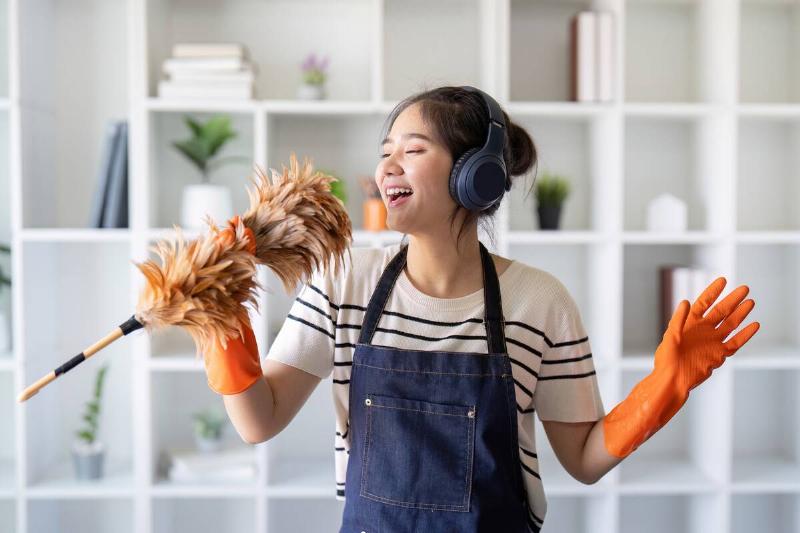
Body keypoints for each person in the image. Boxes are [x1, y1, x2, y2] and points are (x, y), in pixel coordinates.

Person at [202, 85, 760, 533]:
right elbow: (259, 419)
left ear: (476, 174)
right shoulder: (342, 279)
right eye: (385, 152)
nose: (387, 166)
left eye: (412, 150)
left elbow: (585, 462)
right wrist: (217, 309)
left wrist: (662, 387)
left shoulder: (541, 302)